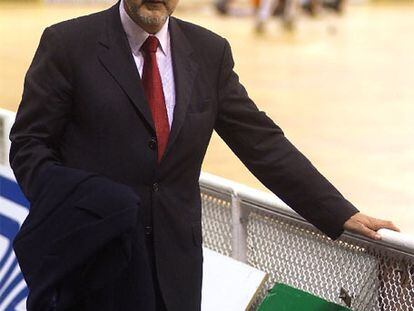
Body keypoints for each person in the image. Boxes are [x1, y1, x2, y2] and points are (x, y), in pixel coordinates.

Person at [9, 0, 399, 310]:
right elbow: (28, 145)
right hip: (92, 261)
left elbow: (260, 141)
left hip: (175, 269)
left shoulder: (209, 52)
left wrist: (337, 211)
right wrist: (80, 203)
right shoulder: (67, 44)